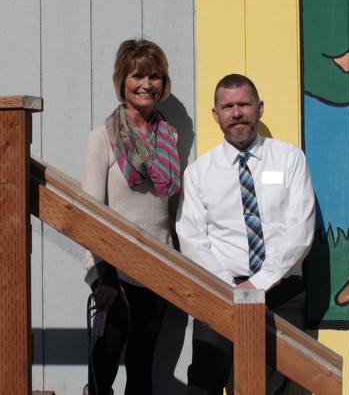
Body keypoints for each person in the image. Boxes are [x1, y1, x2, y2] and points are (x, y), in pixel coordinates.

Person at [177, 73, 315, 395]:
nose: (236, 112)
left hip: (281, 292)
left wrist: (259, 284)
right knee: (203, 383)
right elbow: (191, 237)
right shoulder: (199, 173)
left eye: (244, 104)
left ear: (260, 109)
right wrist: (232, 287)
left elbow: (300, 229)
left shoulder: (290, 159)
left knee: (275, 388)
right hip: (219, 291)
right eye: (227, 106)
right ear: (216, 115)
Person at [81, 39, 182, 395]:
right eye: (137, 75)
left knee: (142, 374)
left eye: (155, 76)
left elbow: (166, 212)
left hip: (157, 271)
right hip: (115, 275)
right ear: (122, 80)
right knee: (102, 373)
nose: (147, 84)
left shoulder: (169, 135)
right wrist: (103, 277)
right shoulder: (102, 138)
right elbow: (91, 214)